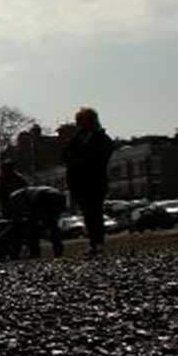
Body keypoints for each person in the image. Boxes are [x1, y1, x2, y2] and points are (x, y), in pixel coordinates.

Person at [62, 106, 116, 254]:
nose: (78, 124)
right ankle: (93, 242)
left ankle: (98, 242)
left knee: (95, 211)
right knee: (87, 212)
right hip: (79, 182)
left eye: (81, 120)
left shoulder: (101, 138)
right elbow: (65, 155)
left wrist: (83, 161)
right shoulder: (76, 139)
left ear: (90, 121)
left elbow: (103, 155)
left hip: (95, 180)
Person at [7, 183, 68, 259]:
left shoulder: (14, 197)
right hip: (58, 195)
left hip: (42, 197)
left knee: (33, 228)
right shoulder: (27, 191)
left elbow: (24, 211)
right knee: (53, 225)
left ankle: (34, 252)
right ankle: (58, 249)